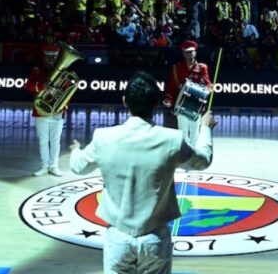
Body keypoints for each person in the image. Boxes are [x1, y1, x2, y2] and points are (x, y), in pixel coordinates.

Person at [69, 71, 215, 274]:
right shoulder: (172, 139)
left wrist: (76, 150)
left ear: (124, 101)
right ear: (156, 103)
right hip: (155, 238)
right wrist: (205, 128)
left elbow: (78, 167)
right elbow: (203, 161)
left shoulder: (103, 137)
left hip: (117, 237)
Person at [25, 44, 66, 176]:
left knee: (55, 141)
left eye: (54, 57)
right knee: (43, 141)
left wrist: (62, 103)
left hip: (57, 111)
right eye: (48, 57)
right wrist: (43, 86)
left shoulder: (63, 72)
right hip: (41, 111)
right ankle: (44, 166)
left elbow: (68, 91)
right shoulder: (37, 71)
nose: (51, 60)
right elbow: (28, 86)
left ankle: (54, 166)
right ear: (44, 57)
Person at [164, 40, 211, 145]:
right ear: (183, 54)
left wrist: (207, 90)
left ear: (195, 53)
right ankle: (184, 152)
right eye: (186, 52)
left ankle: (193, 152)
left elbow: (208, 84)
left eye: (191, 52)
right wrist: (169, 99)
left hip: (196, 105)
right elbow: (171, 87)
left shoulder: (202, 68)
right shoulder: (177, 68)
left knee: (195, 134)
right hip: (181, 104)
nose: (189, 54)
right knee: (183, 133)